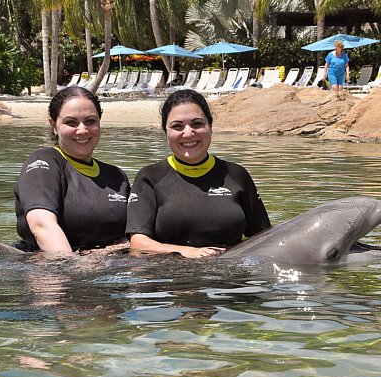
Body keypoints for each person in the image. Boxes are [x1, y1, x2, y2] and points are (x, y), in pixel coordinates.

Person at [126, 89, 271, 259]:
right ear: (165, 131)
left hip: (231, 279)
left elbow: (264, 237)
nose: (188, 133)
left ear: (210, 126)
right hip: (172, 278)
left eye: (197, 124)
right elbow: (138, 243)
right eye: (177, 126)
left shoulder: (236, 175)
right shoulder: (150, 177)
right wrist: (187, 252)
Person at [14, 86, 130, 253]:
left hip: (109, 270)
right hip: (52, 268)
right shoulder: (44, 162)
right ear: (53, 125)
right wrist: (74, 266)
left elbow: (136, 231)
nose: (82, 130)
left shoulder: (117, 177)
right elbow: (42, 225)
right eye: (71, 122)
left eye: (90, 121)